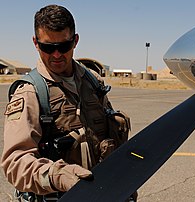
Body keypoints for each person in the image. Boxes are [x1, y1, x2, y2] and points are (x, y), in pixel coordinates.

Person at [1, 4, 136, 201]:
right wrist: (56, 176)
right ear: (35, 43)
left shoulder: (92, 82)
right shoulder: (30, 93)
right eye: (48, 47)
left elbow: (110, 136)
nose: (56, 54)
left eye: (63, 46)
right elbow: (15, 163)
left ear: (75, 41)